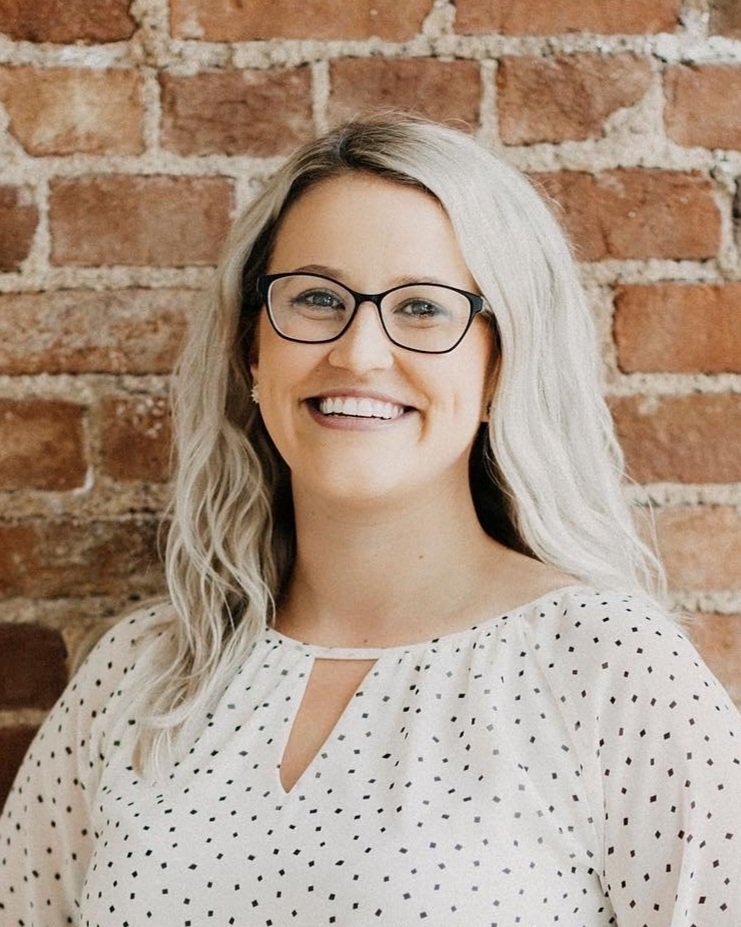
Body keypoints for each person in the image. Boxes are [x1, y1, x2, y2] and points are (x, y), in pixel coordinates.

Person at [1, 116, 739, 926]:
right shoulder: (138, 671)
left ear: (499, 366)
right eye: (316, 297)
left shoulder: (604, 665)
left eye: (422, 307)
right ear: (253, 352)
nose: (358, 352)